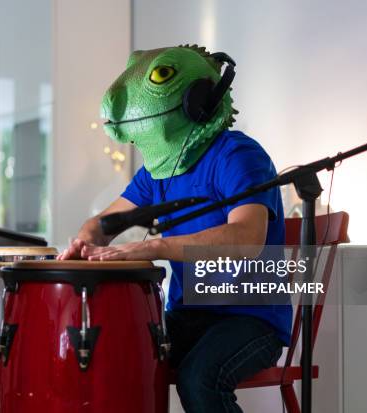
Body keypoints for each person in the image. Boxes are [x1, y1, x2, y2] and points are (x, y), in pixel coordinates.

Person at [58, 45, 290, 413]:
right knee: (117, 359)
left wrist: (153, 248)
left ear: (199, 99)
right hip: (189, 313)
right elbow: (102, 225)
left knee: (198, 380)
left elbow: (247, 239)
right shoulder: (157, 172)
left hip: (252, 319)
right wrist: (85, 244)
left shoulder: (239, 155)